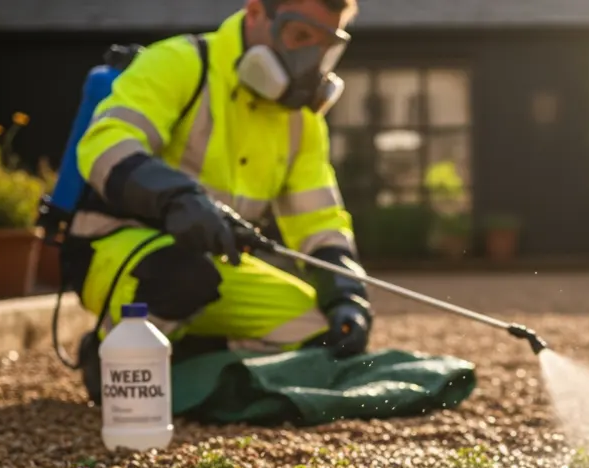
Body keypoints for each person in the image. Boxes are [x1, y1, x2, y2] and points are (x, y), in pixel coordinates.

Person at [60, 0, 371, 402]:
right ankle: (108, 358)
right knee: (183, 277)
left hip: (215, 263)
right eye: (299, 35)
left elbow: (318, 219)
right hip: (114, 245)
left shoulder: (303, 121)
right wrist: (176, 198)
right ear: (256, 12)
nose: (310, 57)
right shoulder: (178, 62)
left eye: (325, 44)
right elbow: (105, 145)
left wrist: (346, 296)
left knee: (317, 331)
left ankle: (170, 361)